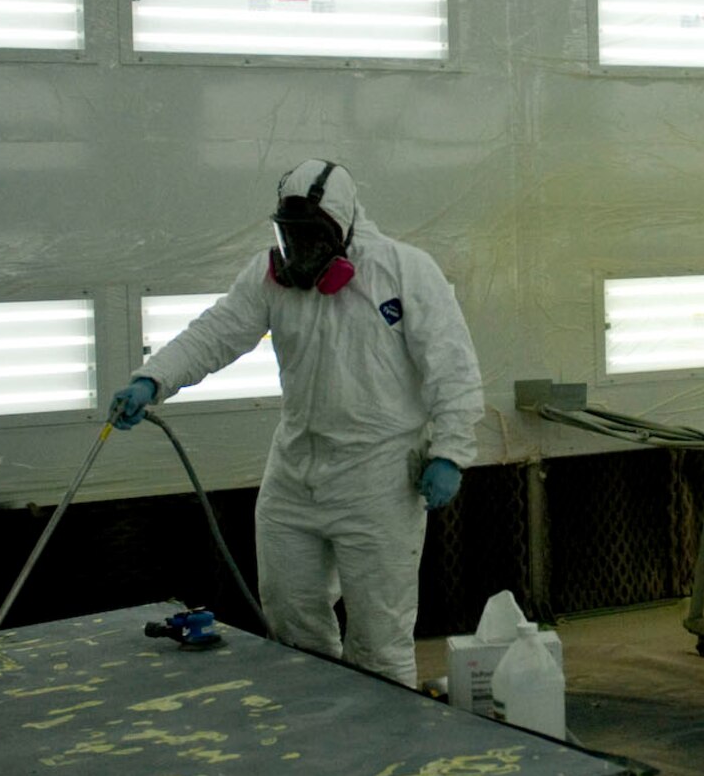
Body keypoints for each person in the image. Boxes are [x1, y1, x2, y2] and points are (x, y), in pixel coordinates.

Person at [108, 158, 483, 688]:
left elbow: (452, 367)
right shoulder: (269, 279)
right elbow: (216, 333)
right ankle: (314, 739)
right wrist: (153, 379)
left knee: (379, 638)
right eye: (290, 236)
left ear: (344, 227)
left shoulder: (404, 272)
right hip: (295, 473)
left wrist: (450, 452)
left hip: (378, 477)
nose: (299, 251)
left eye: (312, 236)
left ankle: (387, 752)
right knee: (291, 622)